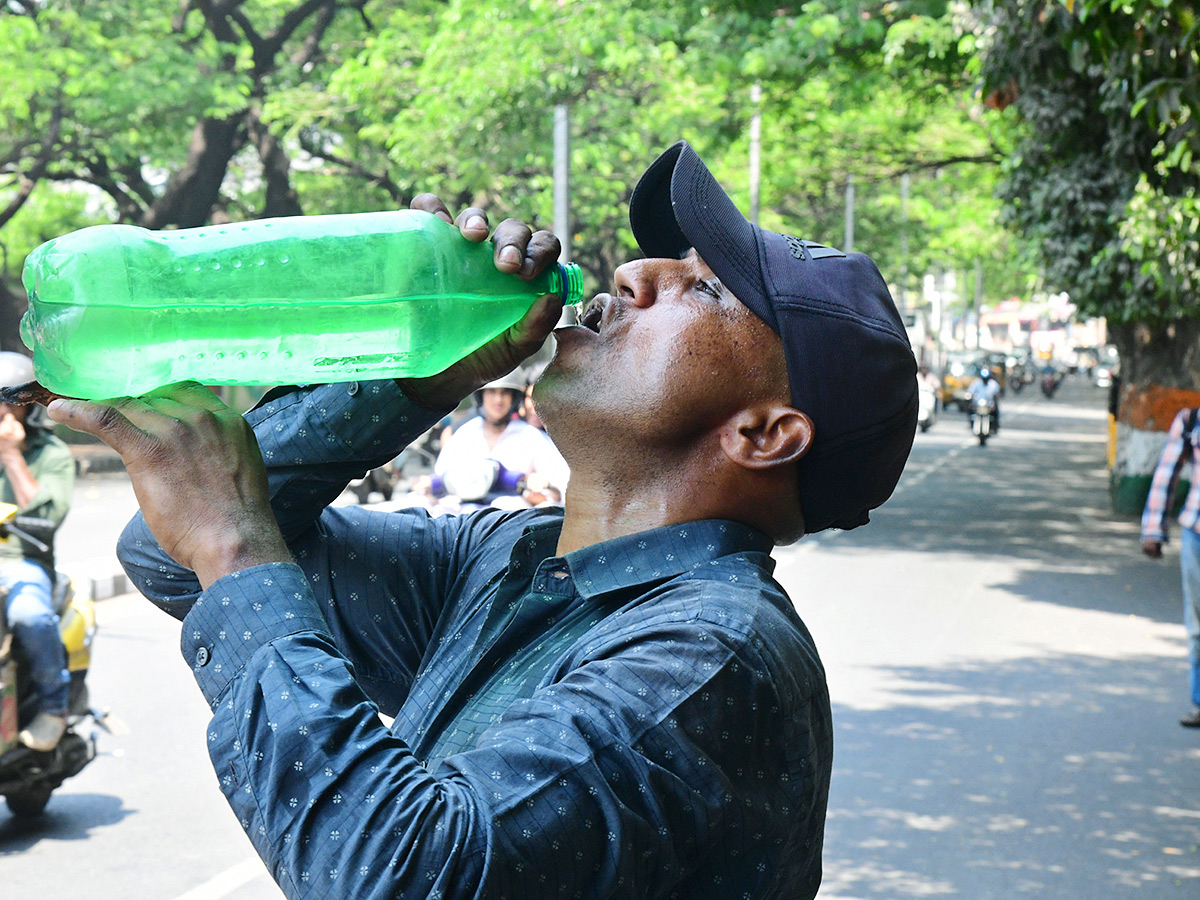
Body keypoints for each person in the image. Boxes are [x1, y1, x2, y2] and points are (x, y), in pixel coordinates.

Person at [48, 141, 917, 899]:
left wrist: (234, 544)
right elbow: (169, 561)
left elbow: (403, 875)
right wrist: (413, 367)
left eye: (705, 290)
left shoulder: (713, 652)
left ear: (764, 435)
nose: (634, 273)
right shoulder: (515, 557)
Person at [0, 351, 75, 751]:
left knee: (28, 614)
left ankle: (53, 708)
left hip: (21, 563)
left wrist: (10, 456)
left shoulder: (52, 457)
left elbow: (48, 514)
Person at [429, 368, 569, 508]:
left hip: (510, 522)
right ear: (481, 396)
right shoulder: (465, 434)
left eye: (505, 393)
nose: (498, 400)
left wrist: (542, 487)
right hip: (464, 520)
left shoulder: (532, 437)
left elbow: (561, 494)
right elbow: (438, 482)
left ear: (513, 398)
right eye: (492, 392)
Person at [1140, 405, 1200, 728]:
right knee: (1199, 624)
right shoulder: (1192, 420)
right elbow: (1167, 474)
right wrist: (1153, 529)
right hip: (1197, 534)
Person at [967, 365, 1001, 430]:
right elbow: (970, 392)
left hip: (989, 405)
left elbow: (997, 394)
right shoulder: (976, 383)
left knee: (996, 412)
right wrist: (969, 397)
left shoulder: (993, 384)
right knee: (969, 410)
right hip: (977, 405)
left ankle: (995, 426)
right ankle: (970, 423)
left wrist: (994, 403)